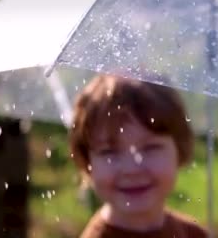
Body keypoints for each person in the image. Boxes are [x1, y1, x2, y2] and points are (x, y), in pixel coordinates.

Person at [69, 74, 208, 238]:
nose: (131, 169)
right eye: (109, 152)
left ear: (179, 149)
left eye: (150, 148)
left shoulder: (194, 234)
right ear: (87, 162)